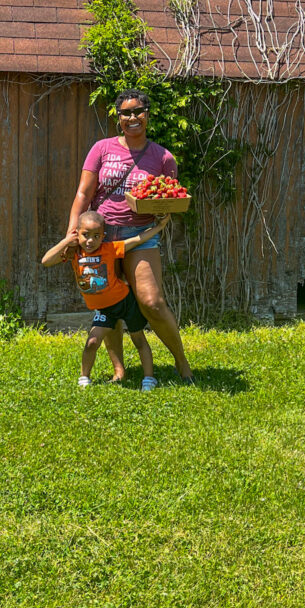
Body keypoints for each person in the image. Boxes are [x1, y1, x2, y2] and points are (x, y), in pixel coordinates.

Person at [66, 89, 195, 384]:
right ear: (118, 117)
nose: (132, 117)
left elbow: (167, 197)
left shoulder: (163, 157)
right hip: (102, 236)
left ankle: (181, 360)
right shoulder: (102, 148)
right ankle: (119, 369)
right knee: (110, 300)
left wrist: (164, 212)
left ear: (147, 114)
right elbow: (83, 194)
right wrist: (72, 232)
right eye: (126, 112)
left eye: (138, 111)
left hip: (141, 235)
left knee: (151, 301)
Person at [42, 210, 168, 389]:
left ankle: (149, 378)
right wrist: (66, 241)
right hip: (105, 309)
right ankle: (84, 379)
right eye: (85, 235)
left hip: (126, 302)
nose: (90, 241)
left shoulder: (109, 249)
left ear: (103, 237)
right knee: (92, 342)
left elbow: (137, 240)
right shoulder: (73, 253)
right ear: (77, 233)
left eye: (96, 236)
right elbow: (46, 261)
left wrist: (159, 227)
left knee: (138, 339)